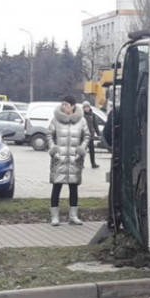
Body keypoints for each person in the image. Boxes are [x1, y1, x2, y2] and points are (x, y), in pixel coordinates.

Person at [47, 95, 90, 226]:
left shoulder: (81, 121)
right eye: (62, 104)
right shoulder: (55, 120)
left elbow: (87, 136)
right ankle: (55, 217)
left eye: (66, 104)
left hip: (74, 159)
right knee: (56, 187)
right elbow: (49, 135)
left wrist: (81, 150)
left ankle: (73, 216)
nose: (63, 107)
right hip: (59, 159)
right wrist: (53, 150)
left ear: (72, 106)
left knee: (73, 188)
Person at [82, 101, 101, 168]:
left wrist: (98, 134)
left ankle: (93, 163)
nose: (87, 109)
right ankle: (81, 163)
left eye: (88, 107)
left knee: (92, 150)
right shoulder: (82, 115)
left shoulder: (92, 115)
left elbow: (95, 125)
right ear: (83, 108)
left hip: (91, 135)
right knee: (83, 150)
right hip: (84, 136)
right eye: (85, 107)